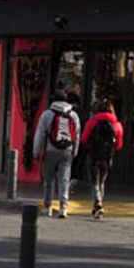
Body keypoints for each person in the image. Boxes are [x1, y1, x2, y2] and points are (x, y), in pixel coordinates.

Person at [32, 90, 81, 218]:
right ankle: (63, 208)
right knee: (64, 180)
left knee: (48, 180)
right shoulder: (73, 115)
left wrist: (36, 152)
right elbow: (76, 135)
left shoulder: (47, 114)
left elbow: (40, 134)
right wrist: (75, 150)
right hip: (67, 152)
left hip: (50, 150)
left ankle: (48, 206)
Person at [80, 98, 125, 219]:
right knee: (101, 182)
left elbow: (84, 139)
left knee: (94, 182)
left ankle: (97, 204)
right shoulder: (117, 125)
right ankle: (98, 205)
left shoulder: (92, 122)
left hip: (93, 156)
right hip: (107, 157)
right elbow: (119, 145)